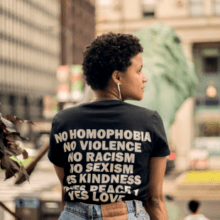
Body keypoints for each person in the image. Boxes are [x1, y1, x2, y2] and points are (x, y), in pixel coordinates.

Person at [48, 32, 170, 220]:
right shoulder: (149, 121)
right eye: (138, 71)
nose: (144, 78)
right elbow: (154, 199)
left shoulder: (62, 121)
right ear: (117, 77)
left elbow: (67, 193)